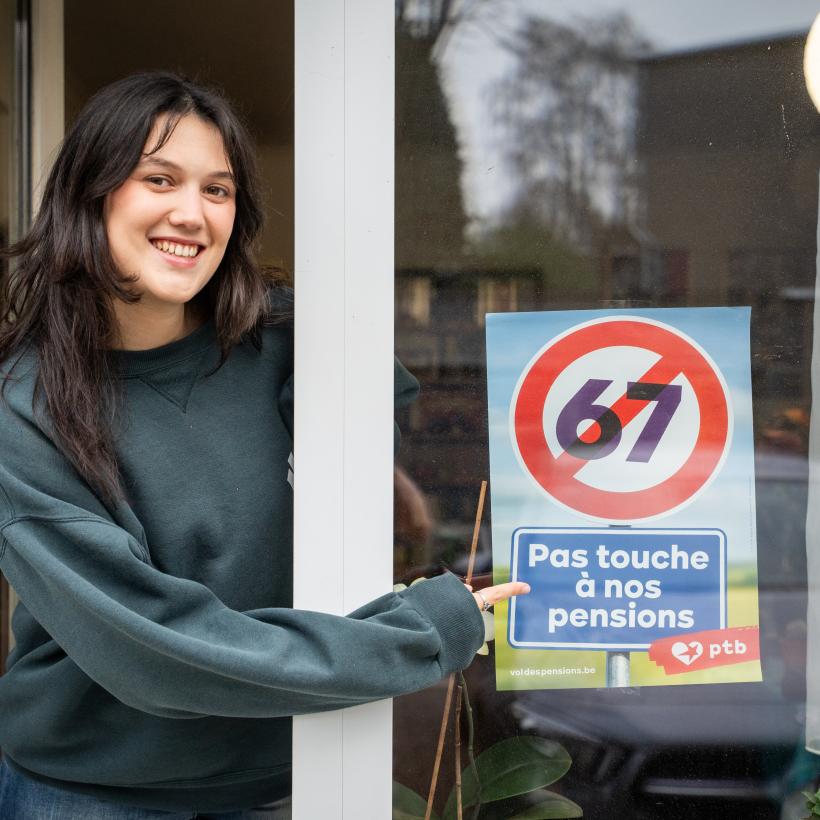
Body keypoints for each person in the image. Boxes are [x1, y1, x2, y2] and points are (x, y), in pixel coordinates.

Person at [0, 72, 529, 818]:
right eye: (160, 179)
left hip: (288, 780)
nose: (192, 214)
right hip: (92, 793)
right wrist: (414, 637)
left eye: (218, 190)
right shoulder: (24, 409)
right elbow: (155, 650)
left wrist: (326, 439)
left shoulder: (281, 338)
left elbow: (380, 415)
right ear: (91, 194)